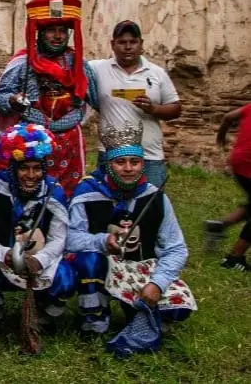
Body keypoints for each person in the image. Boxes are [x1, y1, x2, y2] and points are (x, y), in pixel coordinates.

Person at [69, 120, 194, 347]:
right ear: (108, 164)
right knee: (89, 260)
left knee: (179, 308)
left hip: (142, 268)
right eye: (120, 162)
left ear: (142, 165)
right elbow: (69, 238)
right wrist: (101, 241)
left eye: (135, 162)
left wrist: (157, 283)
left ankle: (136, 310)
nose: (128, 168)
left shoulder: (155, 197)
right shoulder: (88, 193)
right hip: (104, 265)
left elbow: (176, 248)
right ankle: (95, 320)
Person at [0, 0, 98, 196]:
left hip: (70, 138)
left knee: (71, 195)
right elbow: (0, 97)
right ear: (39, 33)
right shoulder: (22, 63)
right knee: (33, 194)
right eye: (50, 30)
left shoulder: (77, 63)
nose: (57, 36)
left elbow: (96, 99)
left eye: (62, 31)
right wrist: (15, 100)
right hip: (34, 141)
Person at [0, 122, 75, 339]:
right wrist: (4, 254)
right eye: (24, 168)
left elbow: (59, 238)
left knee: (67, 277)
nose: (31, 175)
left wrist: (40, 260)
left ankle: (45, 314)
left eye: (37, 168)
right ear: (13, 169)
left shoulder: (54, 191)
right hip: (2, 260)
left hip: (40, 261)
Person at [89, 20, 181, 186]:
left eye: (133, 42)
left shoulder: (156, 73)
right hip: (110, 154)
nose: (128, 47)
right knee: (107, 205)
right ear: (112, 44)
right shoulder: (97, 69)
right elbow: (70, 72)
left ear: (141, 44)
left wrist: (153, 108)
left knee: (149, 207)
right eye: (122, 42)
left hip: (148, 156)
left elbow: (176, 109)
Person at [205, 103, 251, 270]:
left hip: (238, 161)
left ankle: (219, 225)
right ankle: (233, 258)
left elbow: (228, 117)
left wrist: (221, 137)